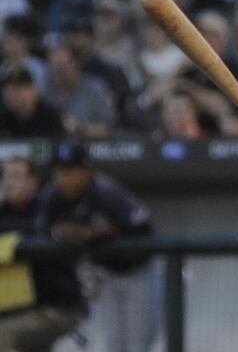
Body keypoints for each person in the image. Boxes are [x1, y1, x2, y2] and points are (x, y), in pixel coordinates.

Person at [36, 142, 159, 352]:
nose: (61, 177)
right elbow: (41, 230)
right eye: (58, 171)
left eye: (68, 170)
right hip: (104, 274)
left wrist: (103, 232)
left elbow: (144, 226)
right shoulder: (52, 196)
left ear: (85, 171)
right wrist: (62, 231)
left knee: (138, 345)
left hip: (139, 273)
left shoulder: (107, 192)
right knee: (114, 345)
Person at [0, 156, 86, 351]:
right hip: (19, 310)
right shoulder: (4, 212)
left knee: (2, 334)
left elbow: (46, 227)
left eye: (15, 176)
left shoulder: (48, 205)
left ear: (33, 181)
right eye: (5, 176)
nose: (8, 183)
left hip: (58, 308)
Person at [0, 66, 64, 138]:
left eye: (18, 89)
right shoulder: (3, 120)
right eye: (8, 91)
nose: (12, 96)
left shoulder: (50, 118)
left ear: (33, 89)